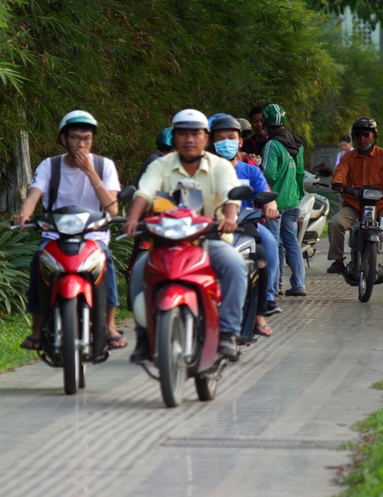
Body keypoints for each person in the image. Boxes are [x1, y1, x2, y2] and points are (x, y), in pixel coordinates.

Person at [124, 109, 248, 361]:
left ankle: (227, 333)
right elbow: (144, 192)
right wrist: (133, 218)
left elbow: (229, 195)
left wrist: (229, 219)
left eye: (196, 134)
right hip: (166, 243)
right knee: (139, 270)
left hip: (209, 240)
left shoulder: (220, 167)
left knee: (236, 265)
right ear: (174, 136)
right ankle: (143, 337)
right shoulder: (160, 165)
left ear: (206, 138)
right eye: (182, 134)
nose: (189, 139)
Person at [14, 110, 127, 350]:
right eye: (76, 138)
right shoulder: (50, 165)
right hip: (55, 234)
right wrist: (24, 213)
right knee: (38, 260)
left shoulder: (104, 165)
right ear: (64, 139)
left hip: (93, 235)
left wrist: (89, 172)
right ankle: (37, 328)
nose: (81, 144)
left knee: (106, 261)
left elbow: (112, 209)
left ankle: (108, 325)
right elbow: (34, 195)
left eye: (87, 138)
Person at [207, 114, 281, 335]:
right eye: (220, 138)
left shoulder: (251, 170)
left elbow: (267, 194)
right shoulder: (204, 170)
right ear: (212, 142)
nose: (226, 142)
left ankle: (261, 310)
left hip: (246, 226)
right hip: (211, 228)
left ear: (240, 141)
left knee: (264, 251)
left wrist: (271, 206)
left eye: (231, 137)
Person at [327, 116, 383, 275]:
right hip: (354, 205)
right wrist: (338, 183)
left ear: (373, 136)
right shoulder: (347, 158)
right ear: (354, 137)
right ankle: (337, 261)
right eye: (358, 135)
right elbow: (340, 173)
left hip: (380, 206)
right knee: (335, 223)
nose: (362, 138)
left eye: (366, 134)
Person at [260, 104, 307, 297]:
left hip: (275, 203)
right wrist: (298, 195)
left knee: (274, 243)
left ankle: (274, 286)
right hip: (293, 201)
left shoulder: (272, 145)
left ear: (265, 124)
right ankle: (298, 285)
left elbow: (268, 174)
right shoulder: (296, 143)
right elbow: (301, 173)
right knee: (292, 244)